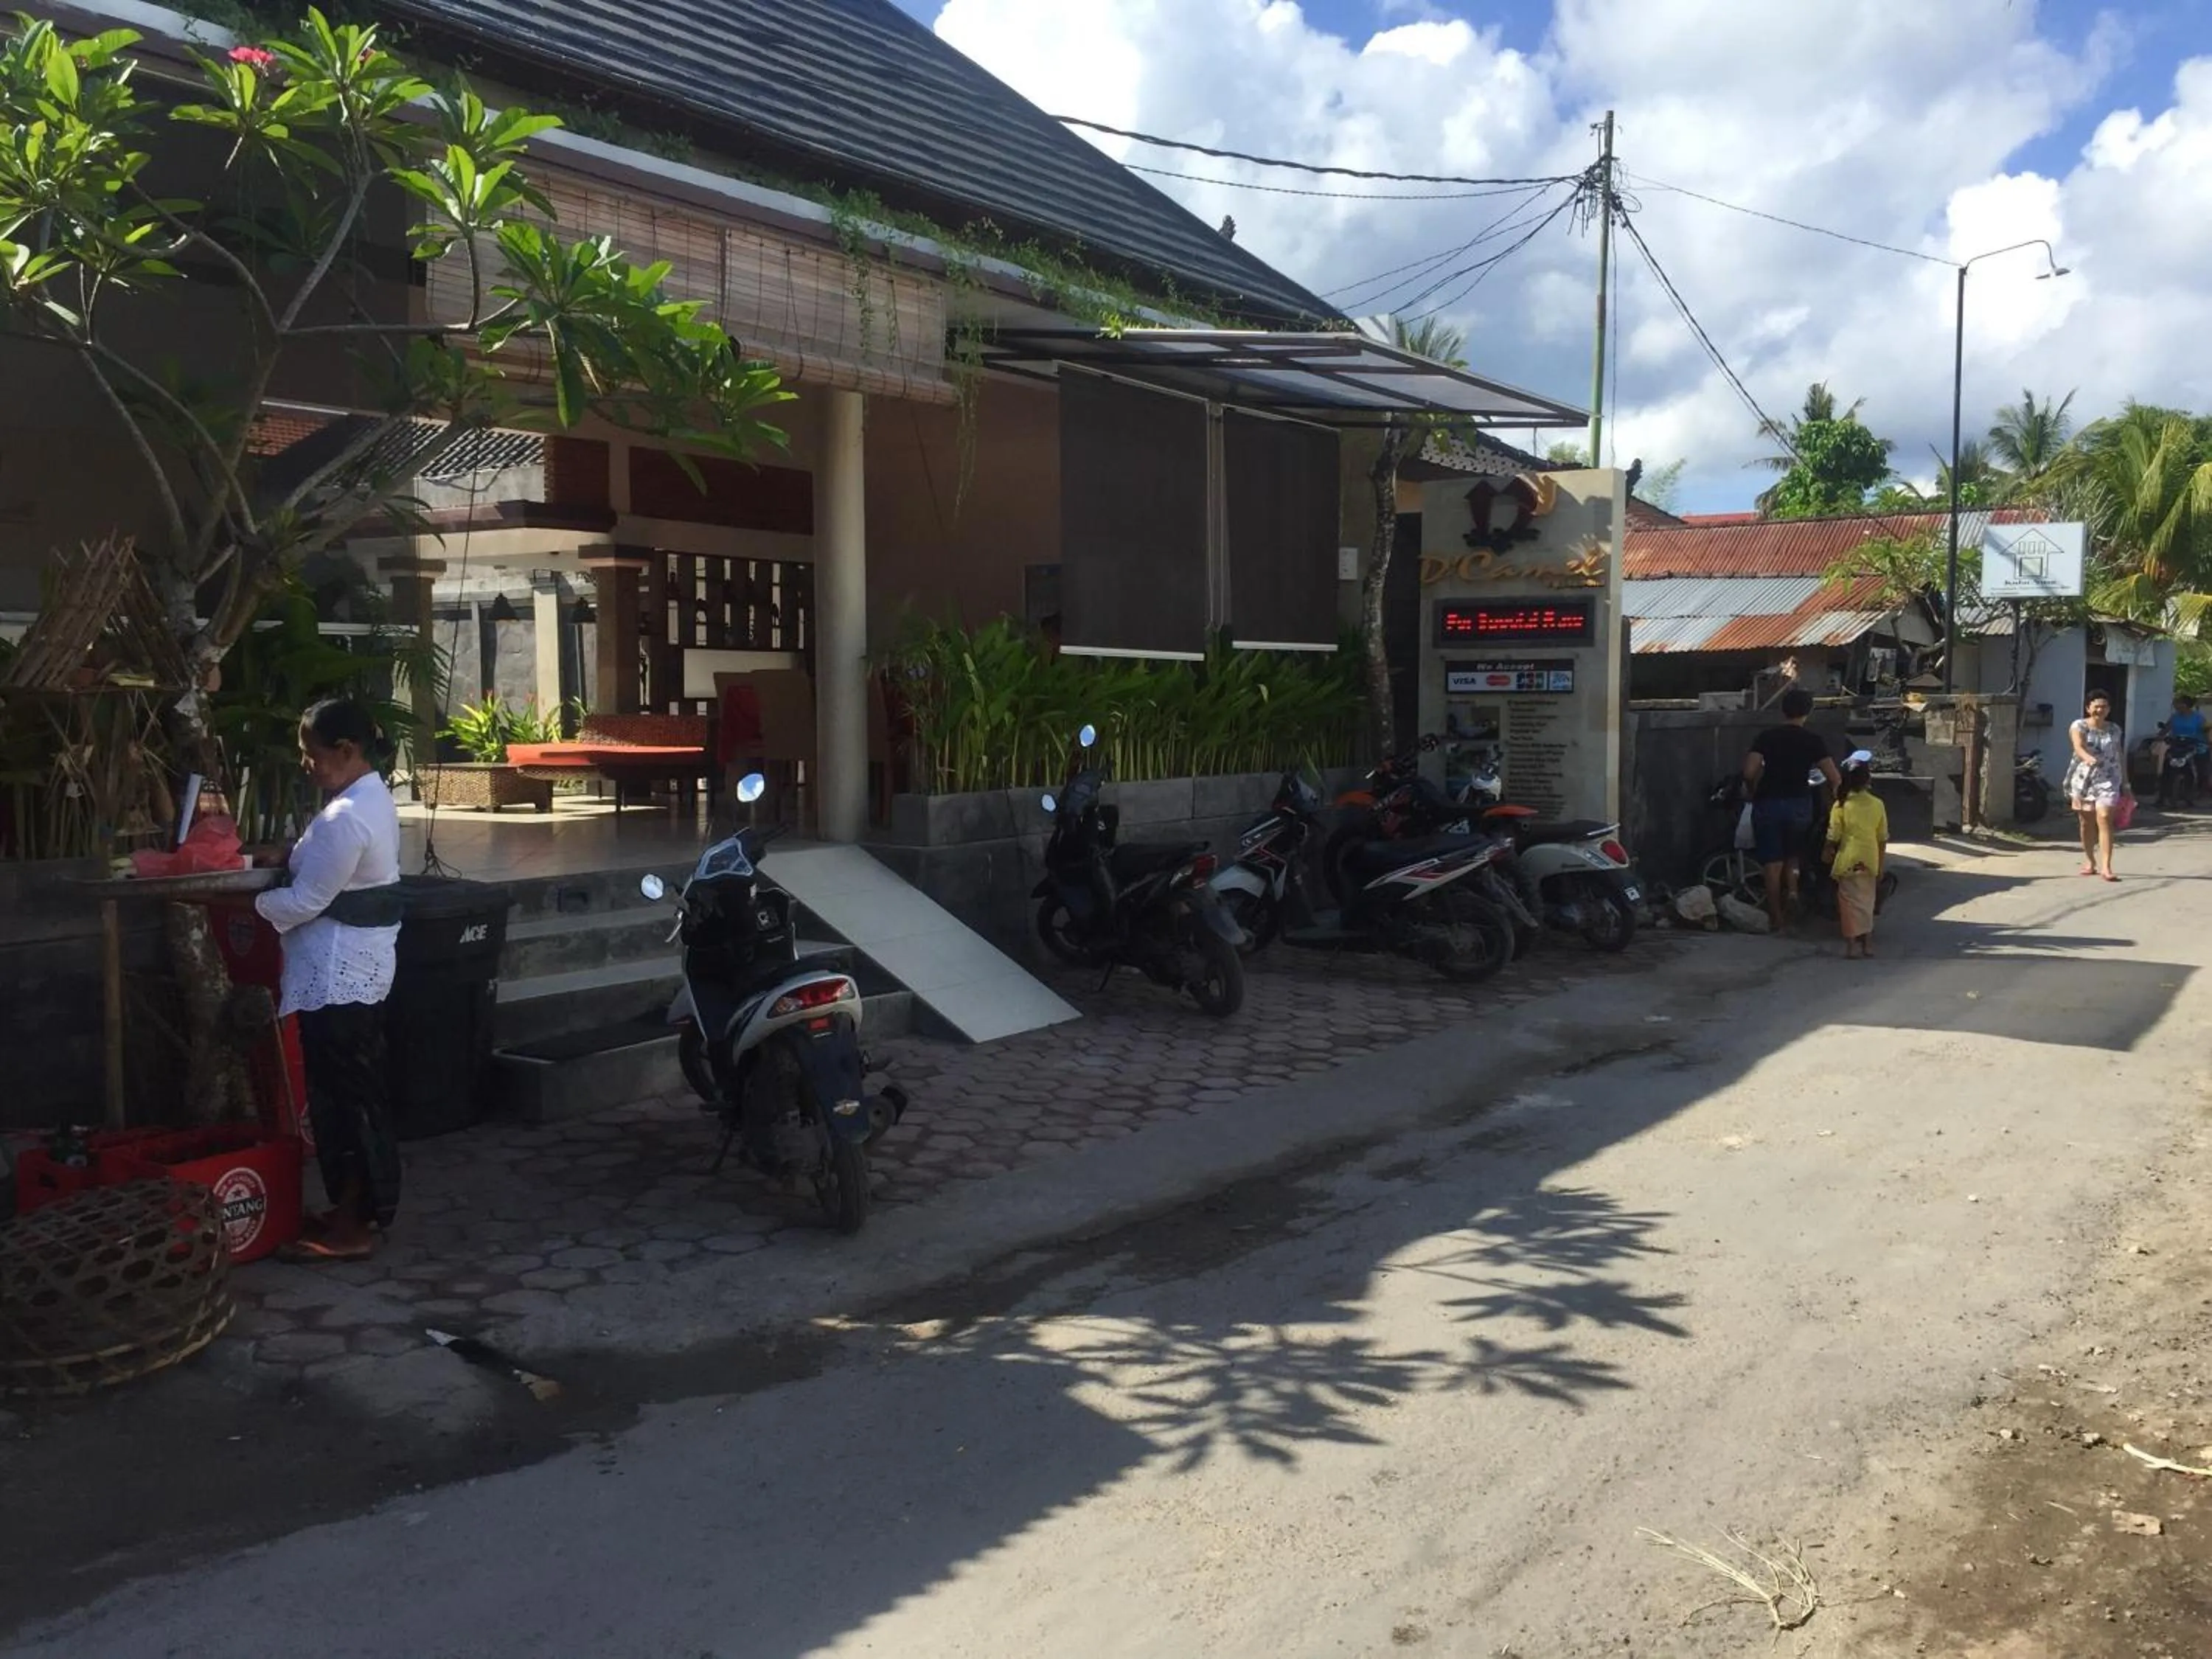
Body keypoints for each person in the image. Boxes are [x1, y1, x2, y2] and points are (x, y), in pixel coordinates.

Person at [252, 698, 403, 1260]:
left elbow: (308, 900)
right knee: (341, 1095)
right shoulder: (365, 798)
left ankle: (356, 1222)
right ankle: (349, 1206)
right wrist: (286, 855)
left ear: (347, 751)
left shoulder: (348, 816)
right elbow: (326, 870)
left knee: (348, 1098)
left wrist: (247, 899)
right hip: (348, 972)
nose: (305, 764)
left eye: (311, 754)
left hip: (341, 973)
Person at [1743, 686, 1843, 933]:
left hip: (1768, 803)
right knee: (1794, 854)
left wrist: (1752, 789)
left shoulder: (1766, 737)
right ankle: (1795, 893)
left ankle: (1776, 915)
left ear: (1783, 710)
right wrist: (1839, 802)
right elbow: (1834, 777)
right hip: (1799, 803)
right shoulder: (1812, 740)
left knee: (1772, 862)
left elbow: (1749, 772)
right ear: (1808, 712)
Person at [1824, 754, 1889, 959]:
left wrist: (1826, 850)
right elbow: (1882, 838)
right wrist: (1880, 865)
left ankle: (1852, 947)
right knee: (1867, 902)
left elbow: (1833, 835)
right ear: (1868, 780)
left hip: (1848, 859)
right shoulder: (1878, 804)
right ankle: (1868, 944)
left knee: (1848, 904)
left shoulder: (1840, 805)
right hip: (1870, 859)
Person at [2064, 690, 2129, 882]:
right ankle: (2090, 860)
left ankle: (2106, 867)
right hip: (2084, 779)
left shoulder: (2115, 729)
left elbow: (2119, 754)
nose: (2100, 709)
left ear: (2109, 709)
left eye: (2104, 706)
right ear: (2088, 708)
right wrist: (2088, 759)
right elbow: (2078, 746)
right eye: (2096, 706)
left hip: (2109, 778)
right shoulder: (2079, 725)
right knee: (2086, 822)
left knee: (2105, 817)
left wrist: (2127, 782)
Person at [2165, 694, 2208, 796]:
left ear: (2185, 705)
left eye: (2178, 703)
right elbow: (2166, 729)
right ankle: (2164, 793)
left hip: (2195, 744)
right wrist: (2158, 738)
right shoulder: (2175, 717)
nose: (2176, 706)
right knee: (2167, 762)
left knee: (2201, 764)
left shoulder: (2198, 718)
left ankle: (2200, 787)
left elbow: (2206, 731)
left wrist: (2207, 740)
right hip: (2178, 744)